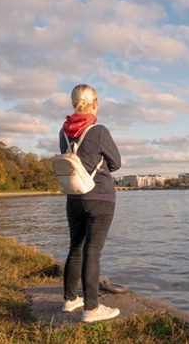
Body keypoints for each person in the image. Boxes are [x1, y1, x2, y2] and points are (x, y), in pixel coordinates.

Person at [59, 84, 122, 322]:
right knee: (92, 252)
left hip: (73, 197)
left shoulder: (63, 132)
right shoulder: (99, 131)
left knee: (75, 248)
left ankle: (70, 299)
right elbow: (116, 163)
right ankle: (92, 309)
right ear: (95, 103)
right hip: (100, 196)